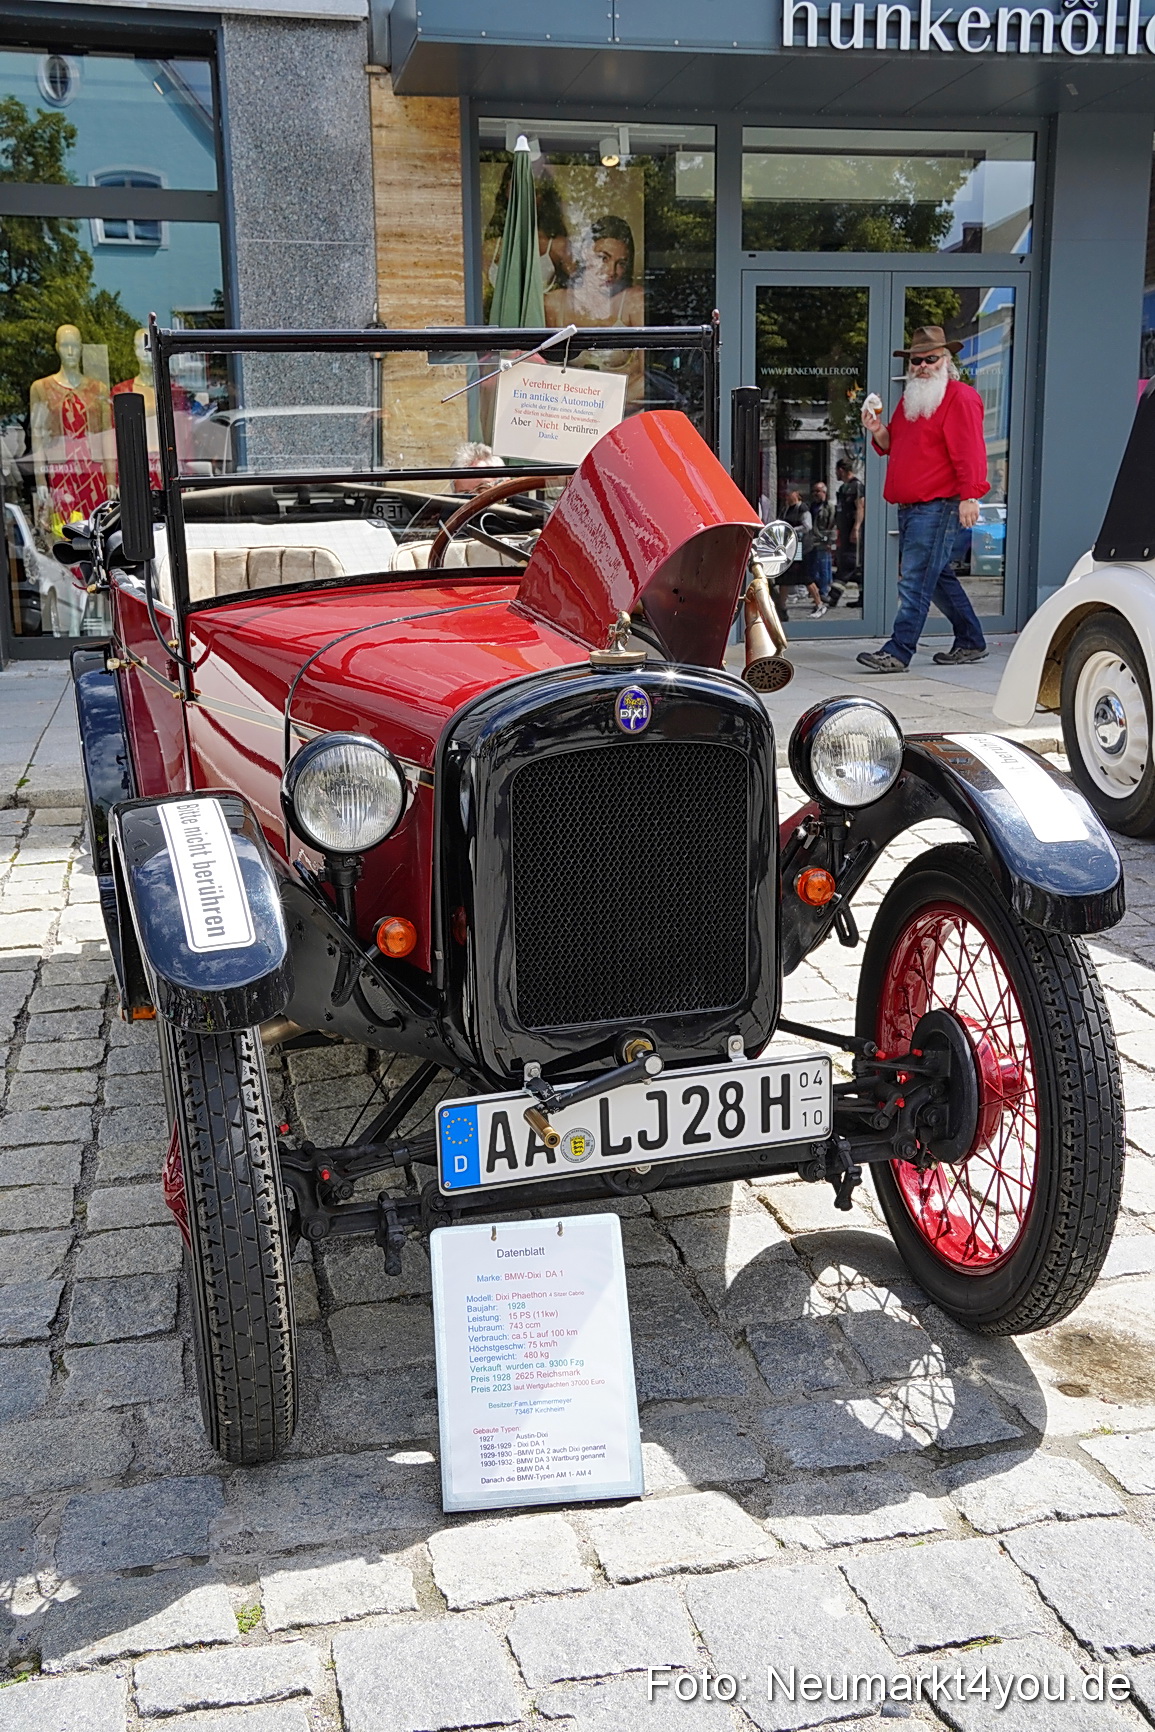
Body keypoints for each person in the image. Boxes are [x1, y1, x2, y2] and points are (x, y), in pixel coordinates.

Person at [857, 325, 988, 673]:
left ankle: (899, 650)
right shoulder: (912, 400)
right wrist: (876, 429)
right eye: (917, 360)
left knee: (915, 579)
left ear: (946, 360)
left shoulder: (959, 397)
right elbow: (893, 445)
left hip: (938, 504)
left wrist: (971, 496)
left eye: (931, 359)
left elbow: (971, 451)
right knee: (937, 576)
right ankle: (971, 640)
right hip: (915, 506)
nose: (923, 366)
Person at [777, 490, 825, 620]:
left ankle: (819, 604)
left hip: (800, 548)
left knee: (804, 576)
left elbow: (807, 526)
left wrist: (790, 530)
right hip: (788, 547)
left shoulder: (803, 509)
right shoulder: (786, 509)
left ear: (797, 496)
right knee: (784, 577)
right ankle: (781, 608)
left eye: (791, 495)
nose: (788, 497)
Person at [831, 458, 863, 607]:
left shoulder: (856, 486)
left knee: (848, 562)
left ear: (841, 470)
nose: (835, 474)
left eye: (836, 471)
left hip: (852, 533)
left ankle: (833, 596)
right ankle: (863, 597)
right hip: (844, 532)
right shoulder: (843, 488)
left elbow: (861, 508)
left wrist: (856, 528)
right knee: (857, 567)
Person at [806, 480, 837, 607]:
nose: (815, 493)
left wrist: (830, 541)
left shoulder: (829, 506)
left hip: (823, 540)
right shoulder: (811, 506)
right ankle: (817, 593)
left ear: (824, 492)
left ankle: (824, 592)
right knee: (814, 568)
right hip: (812, 541)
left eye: (818, 491)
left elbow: (833, 524)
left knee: (824, 567)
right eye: (813, 491)